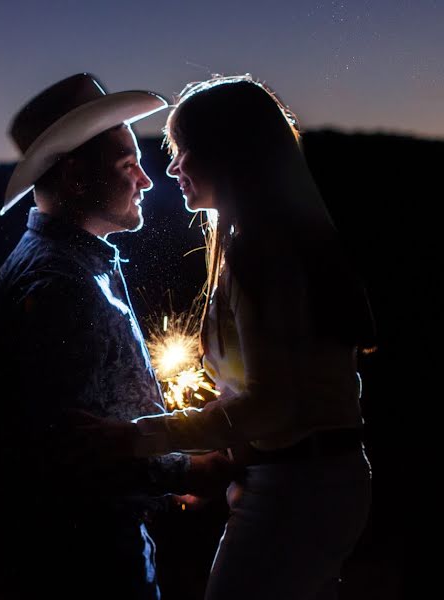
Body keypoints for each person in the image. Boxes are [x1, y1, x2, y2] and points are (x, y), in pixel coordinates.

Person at [88, 75, 376, 600]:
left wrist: (135, 438)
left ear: (227, 153)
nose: (171, 167)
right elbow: (288, 396)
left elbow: (270, 407)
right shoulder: (273, 243)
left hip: (299, 489)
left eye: (181, 150)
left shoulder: (265, 257)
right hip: (306, 481)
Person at [0, 73, 234, 600]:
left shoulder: (70, 265)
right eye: (127, 166)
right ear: (75, 178)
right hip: (86, 564)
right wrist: (191, 469)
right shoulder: (60, 286)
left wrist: (164, 480)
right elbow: (71, 450)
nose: (146, 180)